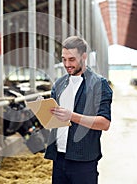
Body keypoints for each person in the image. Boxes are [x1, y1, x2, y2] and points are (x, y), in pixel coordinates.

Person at [44, 36, 113, 184]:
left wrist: (71, 116)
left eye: (72, 59)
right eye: (64, 59)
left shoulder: (99, 84)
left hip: (84, 160)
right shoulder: (59, 84)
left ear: (84, 57)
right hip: (59, 157)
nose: (67, 64)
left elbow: (104, 123)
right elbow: (54, 119)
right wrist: (44, 113)